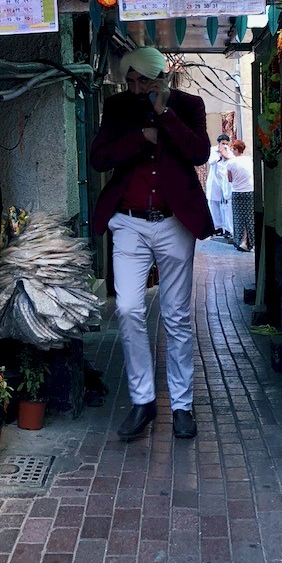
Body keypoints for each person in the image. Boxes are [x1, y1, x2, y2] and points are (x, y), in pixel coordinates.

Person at [91, 46, 214, 442]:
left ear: (162, 78)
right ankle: (142, 401)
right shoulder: (117, 108)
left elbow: (199, 151)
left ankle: (182, 405)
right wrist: (141, 138)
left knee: (177, 317)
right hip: (129, 223)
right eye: (131, 81)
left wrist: (164, 114)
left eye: (143, 80)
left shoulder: (189, 105)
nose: (136, 87)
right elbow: (99, 158)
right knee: (127, 307)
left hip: (174, 222)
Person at [226, 139, 255, 252]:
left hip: (237, 192)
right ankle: (249, 241)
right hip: (249, 191)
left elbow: (229, 179)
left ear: (236, 150)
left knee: (239, 218)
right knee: (249, 218)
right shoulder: (249, 160)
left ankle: (240, 241)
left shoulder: (231, 163)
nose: (232, 151)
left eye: (233, 148)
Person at [205, 134, 233, 240]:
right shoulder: (213, 150)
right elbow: (211, 161)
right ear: (219, 143)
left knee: (225, 204)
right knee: (213, 203)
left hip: (225, 181)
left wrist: (226, 153)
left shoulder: (229, 151)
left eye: (226, 143)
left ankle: (227, 229)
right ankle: (218, 227)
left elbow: (232, 160)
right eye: (223, 143)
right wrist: (220, 155)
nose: (225, 145)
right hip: (215, 181)